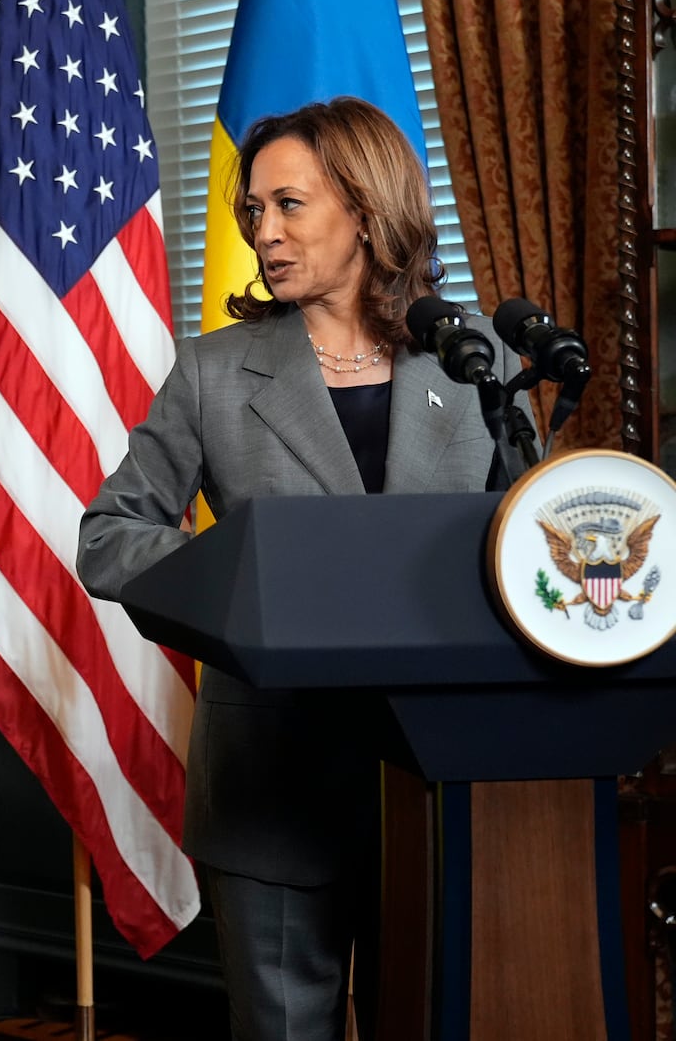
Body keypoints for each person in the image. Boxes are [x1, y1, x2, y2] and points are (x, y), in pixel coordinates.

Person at [76, 97, 528, 1041]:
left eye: (289, 205)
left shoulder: (472, 357)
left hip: (441, 779)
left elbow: (525, 548)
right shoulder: (212, 372)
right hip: (270, 782)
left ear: (365, 209)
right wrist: (249, 575)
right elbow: (110, 535)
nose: (264, 234)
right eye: (253, 213)